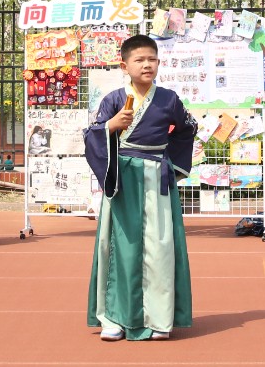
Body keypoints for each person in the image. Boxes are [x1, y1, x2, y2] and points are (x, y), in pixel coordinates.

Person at [83, 34, 197, 341]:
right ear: (124, 65)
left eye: (152, 59)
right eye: (139, 60)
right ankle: (114, 317)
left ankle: (160, 318)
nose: (147, 65)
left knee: (160, 246)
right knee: (121, 245)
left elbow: (187, 128)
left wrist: (170, 163)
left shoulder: (169, 99)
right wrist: (111, 126)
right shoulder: (113, 100)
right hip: (123, 178)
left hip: (156, 177)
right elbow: (91, 134)